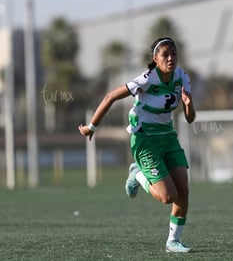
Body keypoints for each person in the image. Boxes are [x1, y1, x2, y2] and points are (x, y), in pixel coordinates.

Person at [79, 37, 196, 253]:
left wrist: (188, 105)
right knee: (167, 197)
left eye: (174, 54)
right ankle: (137, 174)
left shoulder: (181, 76)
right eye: (165, 54)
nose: (171, 58)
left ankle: (173, 241)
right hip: (145, 140)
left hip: (168, 137)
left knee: (183, 191)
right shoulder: (147, 79)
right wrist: (91, 127)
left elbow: (190, 119)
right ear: (155, 58)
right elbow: (110, 96)